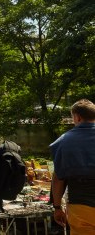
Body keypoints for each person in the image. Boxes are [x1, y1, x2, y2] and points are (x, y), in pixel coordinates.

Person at [50, 99, 95, 234]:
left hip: (81, 206)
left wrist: (57, 207)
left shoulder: (63, 142)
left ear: (77, 117)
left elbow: (58, 178)